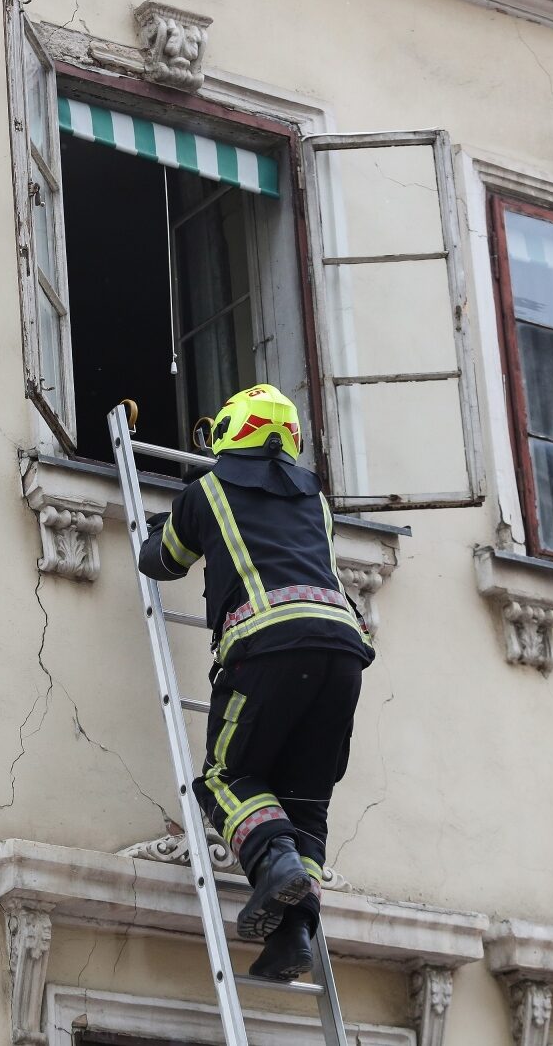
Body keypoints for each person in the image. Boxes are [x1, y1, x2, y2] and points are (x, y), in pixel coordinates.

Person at [137, 383, 374, 981]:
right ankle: (294, 930)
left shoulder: (208, 492)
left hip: (266, 647)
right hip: (341, 653)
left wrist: (163, 523)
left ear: (228, 432)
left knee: (225, 778)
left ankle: (274, 862)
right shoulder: (314, 500)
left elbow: (161, 561)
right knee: (305, 805)